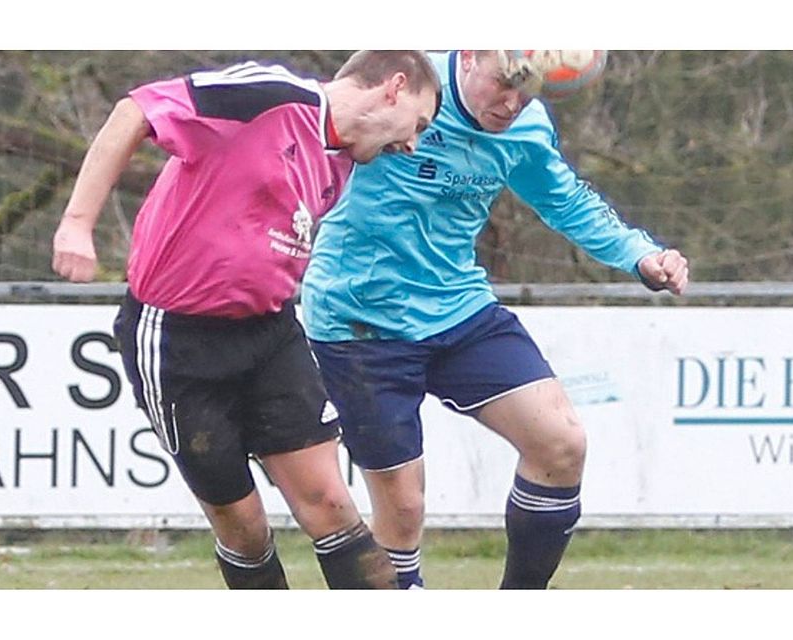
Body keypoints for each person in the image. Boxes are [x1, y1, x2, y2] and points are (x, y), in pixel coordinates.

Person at [51, 51, 441, 589]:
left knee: (329, 502)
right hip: (175, 340)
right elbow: (134, 110)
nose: (412, 143)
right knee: (244, 527)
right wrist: (76, 223)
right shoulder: (272, 96)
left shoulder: (342, 163)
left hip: (269, 333)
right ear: (394, 88)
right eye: (418, 124)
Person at [301, 50, 689, 589]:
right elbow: (309, 128)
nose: (512, 103)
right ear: (474, 52)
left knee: (561, 443)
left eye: (529, 92)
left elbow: (565, 201)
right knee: (403, 511)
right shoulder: (405, 89)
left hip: (460, 311)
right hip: (361, 325)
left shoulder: (525, 126)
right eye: (504, 85)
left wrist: (639, 255)